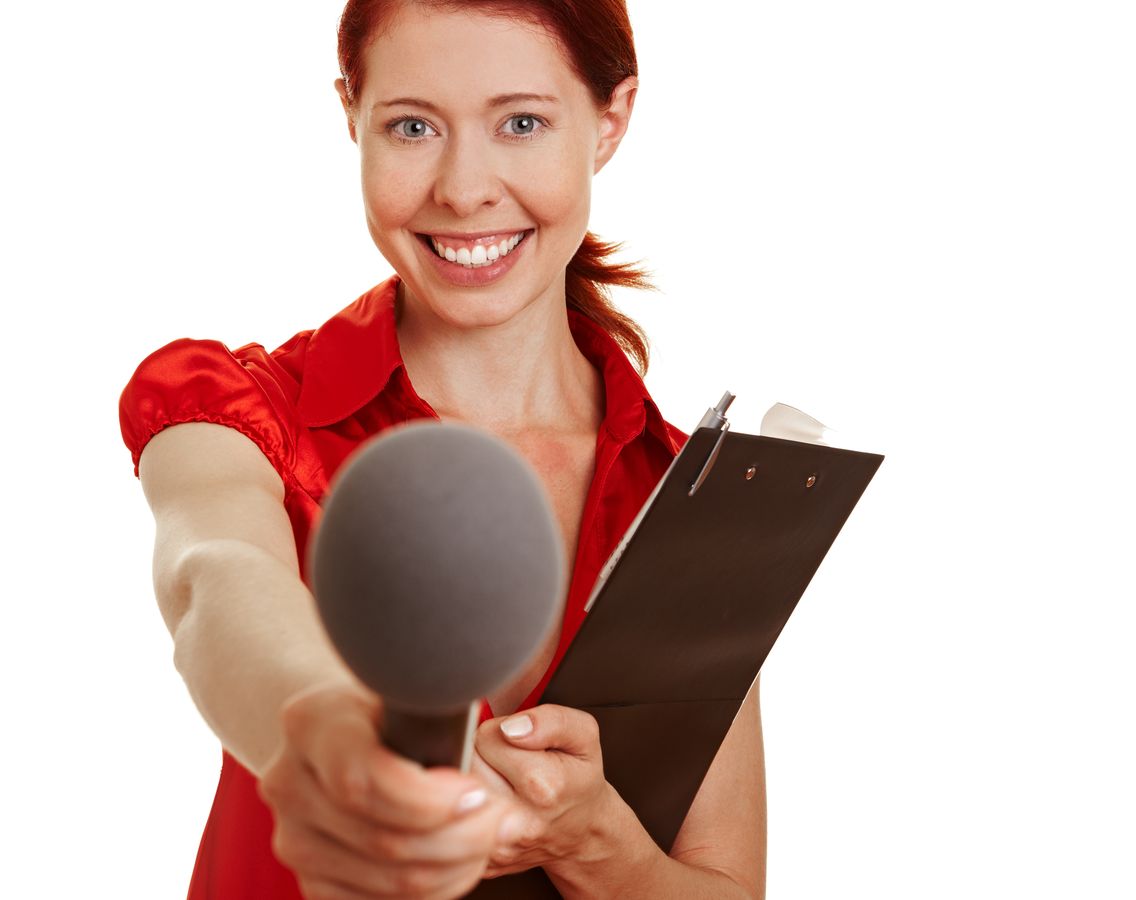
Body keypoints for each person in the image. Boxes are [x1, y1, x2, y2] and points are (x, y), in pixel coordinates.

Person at [119, 1, 767, 897]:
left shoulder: (690, 500)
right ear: (352, 115)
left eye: (522, 123)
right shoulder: (244, 413)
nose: (464, 190)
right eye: (413, 126)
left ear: (611, 119)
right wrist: (334, 739)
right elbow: (214, 581)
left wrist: (594, 845)